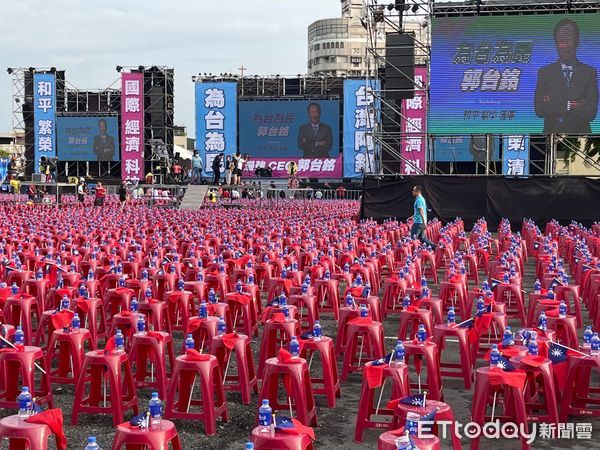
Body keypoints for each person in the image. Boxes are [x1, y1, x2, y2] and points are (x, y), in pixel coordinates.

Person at [534, 18, 598, 134]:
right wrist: (571, 104)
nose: (565, 45)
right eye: (561, 40)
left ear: (577, 41)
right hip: (552, 135)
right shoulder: (545, 72)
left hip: (581, 136)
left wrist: (553, 104)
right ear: (556, 44)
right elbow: (540, 109)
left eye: (569, 39)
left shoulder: (589, 72)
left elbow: (590, 112)